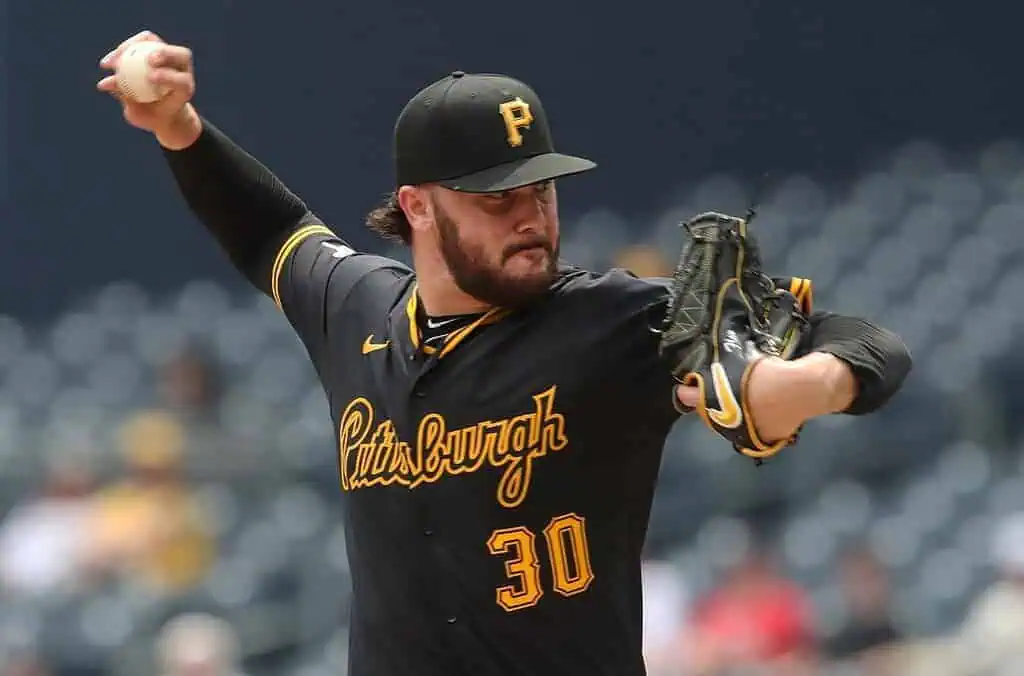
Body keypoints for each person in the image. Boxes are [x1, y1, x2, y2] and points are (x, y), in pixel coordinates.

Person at [96, 30, 912, 676]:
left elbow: (876, 345)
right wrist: (180, 129)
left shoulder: (618, 322)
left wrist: (811, 383)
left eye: (543, 190)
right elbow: (272, 232)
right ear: (417, 207)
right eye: (498, 198)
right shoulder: (358, 310)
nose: (532, 216)